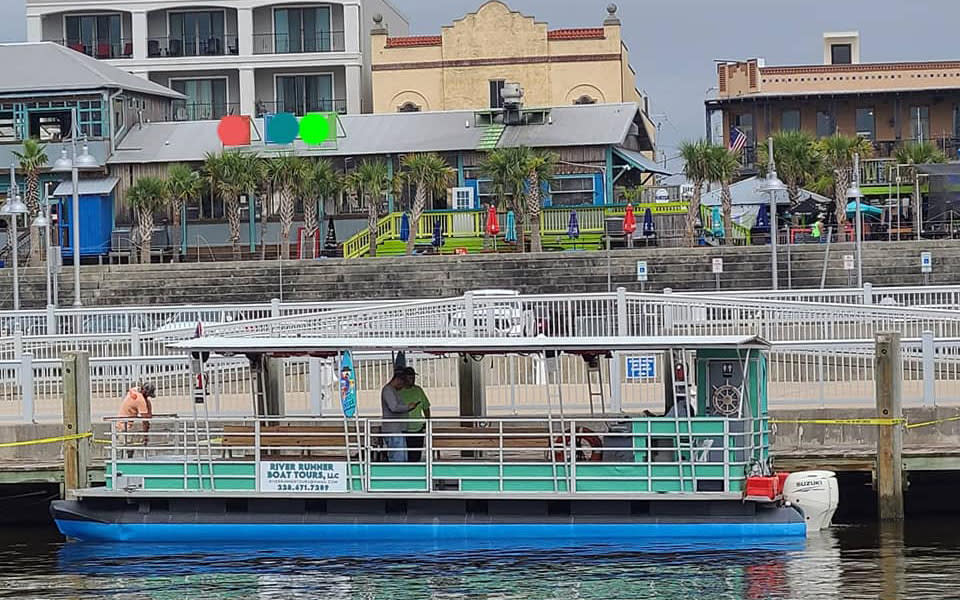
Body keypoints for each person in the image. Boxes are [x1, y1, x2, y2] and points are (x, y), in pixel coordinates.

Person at [399, 367, 431, 463]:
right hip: (404, 429)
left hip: (418, 428)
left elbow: (426, 407)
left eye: (413, 377)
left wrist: (428, 421)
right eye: (410, 377)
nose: (412, 379)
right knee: (405, 456)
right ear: (404, 378)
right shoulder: (398, 392)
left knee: (417, 455)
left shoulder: (418, 390)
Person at [380, 371, 413, 462]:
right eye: (403, 384)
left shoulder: (392, 390)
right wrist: (407, 407)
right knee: (398, 457)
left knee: (401, 456)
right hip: (393, 429)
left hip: (396, 429)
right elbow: (393, 407)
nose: (402, 387)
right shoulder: (388, 390)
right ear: (398, 380)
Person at [117, 382, 155, 457]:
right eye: (148, 395)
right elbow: (145, 421)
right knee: (129, 447)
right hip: (125, 426)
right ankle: (127, 462)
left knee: (124, 446)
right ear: (144, 392)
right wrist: (145, 436)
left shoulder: (134, 390)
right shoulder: (140, 400)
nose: (148, 397)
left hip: (121, 423)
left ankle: (123, 460)